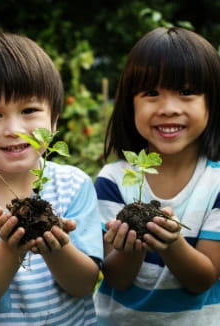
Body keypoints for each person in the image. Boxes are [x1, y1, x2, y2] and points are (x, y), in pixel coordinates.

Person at [0, 32, 103, 325]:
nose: (14, 128)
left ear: (54, 118)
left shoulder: (74, 186)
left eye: (29, 110)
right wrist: (9, 249)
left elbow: (84, 284)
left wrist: (58, 247)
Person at [94, 27, 220, 325]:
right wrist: (131, 247)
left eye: (186, 92)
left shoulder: (216, 184)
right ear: (130, 104)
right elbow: (117, 278)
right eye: (151, 93)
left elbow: (203, 278)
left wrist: (172, 244)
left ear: (212, 103)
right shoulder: (113, 180)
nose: (168, 109)